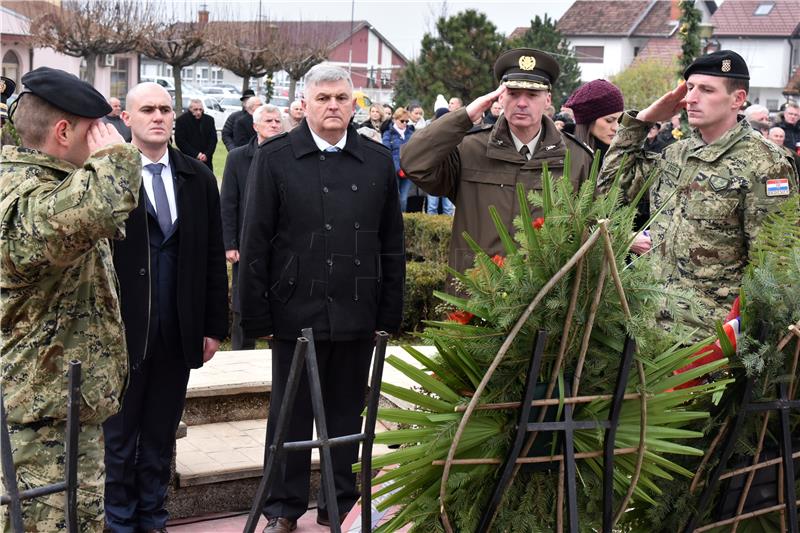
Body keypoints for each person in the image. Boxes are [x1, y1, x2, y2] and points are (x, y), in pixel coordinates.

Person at [239, 63, 404, 533]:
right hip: (296, 310)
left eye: (342, 99)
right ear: (305, 104)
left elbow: (391, 242)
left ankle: (339, 503)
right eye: (323, 98)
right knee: (289, 417)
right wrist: (256, 317)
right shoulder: (274, 158)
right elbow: (256, 242)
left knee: (346, 414)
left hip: (356, 308)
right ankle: (282, 508)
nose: (333, 106)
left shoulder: (375, 161)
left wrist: (387, 312)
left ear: (354, 104)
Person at [1, 66, 141, 532]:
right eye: (96, 130)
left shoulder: (50, 185)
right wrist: (118, 157)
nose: (105, 140)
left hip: (58, 413)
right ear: (64, 131)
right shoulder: (24, 197)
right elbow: (97, 206)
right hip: (34, 427)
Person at [103, 82, 228, 533]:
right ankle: (117, 521)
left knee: (159, 434)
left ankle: (153, 516)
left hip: (178, 331)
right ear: (128, 119)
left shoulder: (197, 179)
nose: (158, 116)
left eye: (165, 109)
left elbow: (214, 255)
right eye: (148, 110)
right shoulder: (108, 176)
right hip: (123, 332)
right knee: (118, 437)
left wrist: (214, 325)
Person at [598, 50, 798, 331]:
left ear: (737, 100)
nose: (691, 98)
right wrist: (641, 121)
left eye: (706, 90)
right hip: (649, 328)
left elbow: (774, 267)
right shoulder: (675, 154)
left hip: (709, 340)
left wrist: (742, 341)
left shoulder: (765, 164)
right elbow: (609, 191)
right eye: (690, 88)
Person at [401, 48, 593, 280]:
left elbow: (590, 233)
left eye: (532, 95)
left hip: (547, 304)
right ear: (500, 97)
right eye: (513, 93)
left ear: (548, 100)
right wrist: (465, 115)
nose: (522, 103)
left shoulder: (576, 158)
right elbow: (414, 162)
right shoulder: (469, 148)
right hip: (476, 294)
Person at [221, 104, 284, 350]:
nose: (274, 124)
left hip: (281, 243)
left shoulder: (290, 156)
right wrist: (229, 244)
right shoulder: (237, 157)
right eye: (268, 121)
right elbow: (228, 202)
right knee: (243, 302)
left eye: (278, 121)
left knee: (280, 302)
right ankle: (241, 354)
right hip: (246, 242)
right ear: (255, 126)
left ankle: (278, 354)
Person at [564, 79, 624, 165]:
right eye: (609, 120)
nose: (616, 128)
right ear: (589, 120)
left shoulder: (620, 154)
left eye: (620, 120)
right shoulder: (563, 156)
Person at [382, 106, 415, 212]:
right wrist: (398, 169)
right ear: (395, 119)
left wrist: (407, 169)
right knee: (394, 198)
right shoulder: (388, 134)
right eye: (402, 121)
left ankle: (402, 221)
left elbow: (414, 152)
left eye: (407, 121)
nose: (405, 123)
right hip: (393, 171)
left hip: (407, 171)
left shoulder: (411, 134)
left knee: (403, 199)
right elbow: (387, 153)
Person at [175, 98, 217, 171]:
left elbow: (213, 140)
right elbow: (180, 141)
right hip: (188, 160)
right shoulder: (181, 121)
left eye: (200, 110)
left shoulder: (209, 120)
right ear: (190, 109)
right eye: (195, 109)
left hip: (206, 161)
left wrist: (206, 154)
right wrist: (197, 154)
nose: (198, 112)